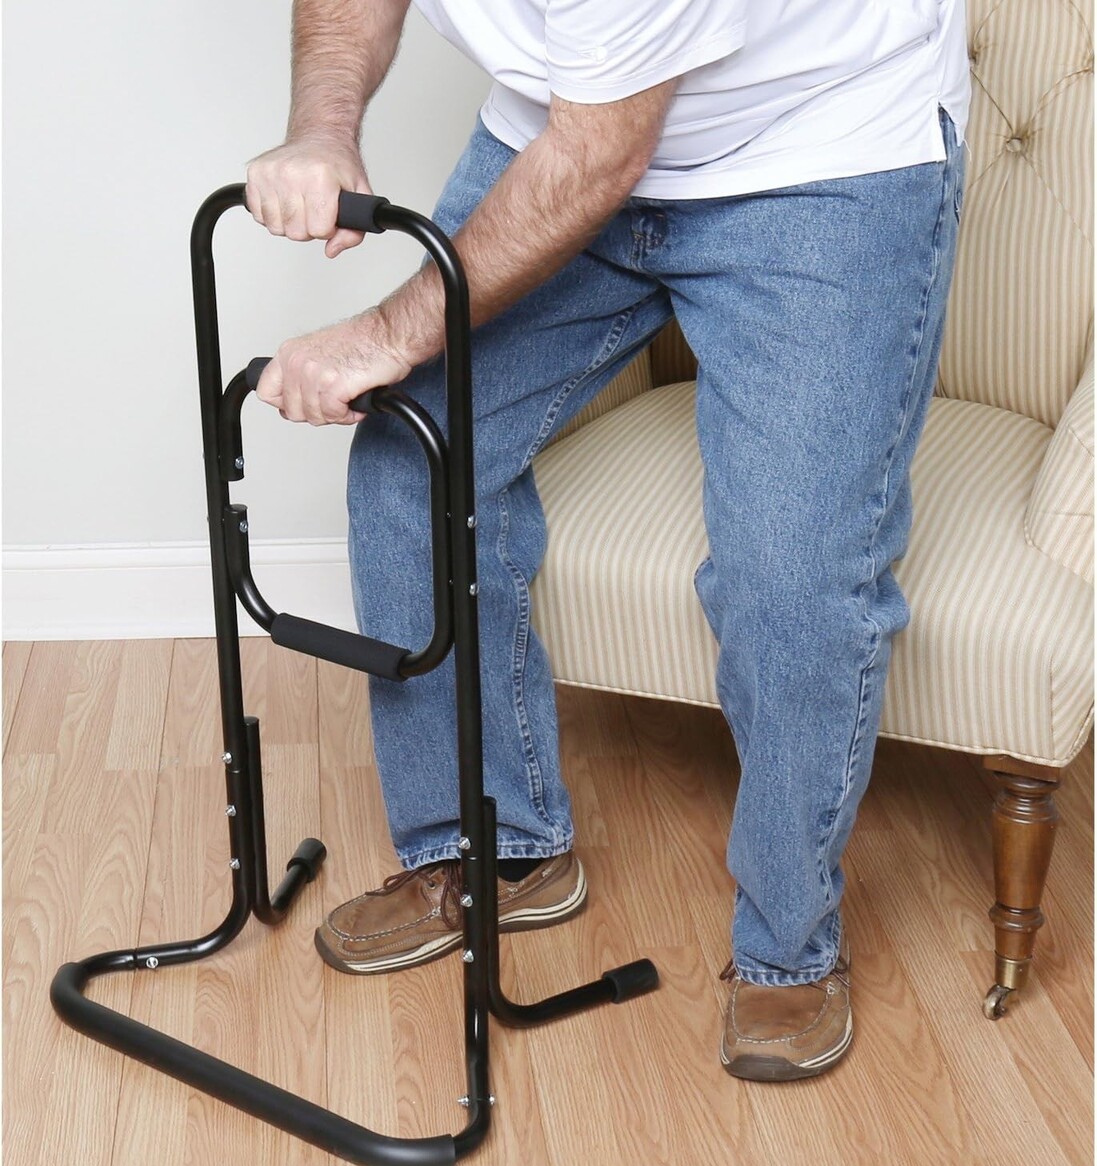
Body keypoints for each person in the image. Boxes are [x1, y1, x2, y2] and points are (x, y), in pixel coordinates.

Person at [246, 0, 969, 1082]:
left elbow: (602, 152)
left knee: (792, 577)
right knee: (416, 459)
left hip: (819, 154)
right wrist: (322, 123)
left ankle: (788, 947)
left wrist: (383, 333)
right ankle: (494, 853)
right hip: (560, 132)